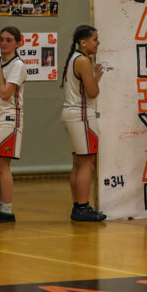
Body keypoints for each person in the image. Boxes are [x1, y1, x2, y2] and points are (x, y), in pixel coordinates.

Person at [61, 25, 105, 222]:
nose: (98, 43)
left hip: (71, 114)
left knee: (78, 163)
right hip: (82, 115)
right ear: (83, 42)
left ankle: (77, 206)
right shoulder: (83, 61)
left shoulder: (73, 59)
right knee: (87, 162)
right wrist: (96, 80)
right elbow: (92, 92)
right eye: (95, 39)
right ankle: (83, 207)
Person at [0, 27, 27, 223]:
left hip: (11, 118)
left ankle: (7, 211)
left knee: (2, 166)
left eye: (9, 40)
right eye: (2, 39)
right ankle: (0, 207)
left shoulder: (18, 65)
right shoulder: (4, 62)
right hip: (0, 117)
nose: (4, 43)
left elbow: (5, 93)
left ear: (18, 43)